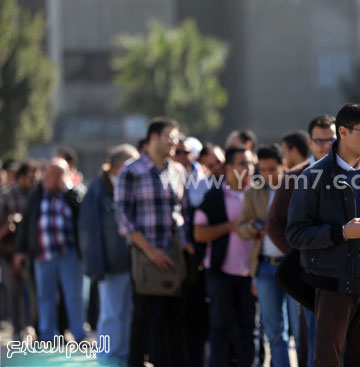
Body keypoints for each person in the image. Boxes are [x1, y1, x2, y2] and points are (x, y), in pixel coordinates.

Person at [286, 103, 360, 367]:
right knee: (328, 361)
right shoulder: (312, 177)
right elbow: (296, 234)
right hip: (334, 285)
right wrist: (341, 233)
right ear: (343, 132)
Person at [114, 117, 187, 367]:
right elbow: (123, 218)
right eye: (170, 136)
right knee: (142, 320)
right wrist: (151, 251)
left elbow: (181, 212)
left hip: (173, 257)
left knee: (174, 323)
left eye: (176, 137)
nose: (174, 142)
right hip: (145, 258)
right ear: (153, 138)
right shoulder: (131, 171)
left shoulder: (177, 171)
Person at [266, 115, 336, 367]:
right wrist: (299, 254)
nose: (326, 145)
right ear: (310, 142)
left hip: (344, 273)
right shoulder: (297, 175)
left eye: (332, 139)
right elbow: (274, 223)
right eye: (320, 140)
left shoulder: (352, 172)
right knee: (311, 337)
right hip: (309, 272)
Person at [194, 145, 256, 367]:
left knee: (248, 330)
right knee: (221, 328)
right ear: (228, 167)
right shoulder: (213, 197)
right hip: (221, 273)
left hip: (252, 275)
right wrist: (231, 226)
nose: (248, 168)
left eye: (250, 163)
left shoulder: (260, 194)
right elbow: (199, 233)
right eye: (242, 163)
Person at [237, 144, 299, 367]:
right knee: (274, 332)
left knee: (300, 331)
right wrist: (256, 227)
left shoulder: (295, 187)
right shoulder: (254, 192)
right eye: (262, 170)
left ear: (283, 165)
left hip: (293, 267)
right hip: (265, 268)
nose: (266, 174)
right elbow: (241, 228)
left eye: (271, 169)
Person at [13, 157, 87, 342]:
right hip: (43, 254)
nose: (54, 178)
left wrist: (68, 190)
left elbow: (83, 212)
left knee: (73, 296)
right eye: (51, 173)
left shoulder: (73, 194)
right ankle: (47, 335)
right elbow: (26, 224)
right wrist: (20, 250)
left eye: (59, 174)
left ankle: (78, 334)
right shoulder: (36, 195)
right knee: (45, 297)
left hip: (69, 253)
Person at [79, 144, 139, 365]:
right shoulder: (97, 189)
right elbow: (89, 231)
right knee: (111, 314)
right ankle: (106, 358)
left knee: (128, 313)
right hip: (111, 266)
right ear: (116, 166)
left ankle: (123, 356)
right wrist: (95, 266)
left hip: (132, 263)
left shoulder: (132, 187)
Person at [0, 161, 40, 338]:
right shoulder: (5, 196)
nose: (33, 182)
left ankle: (33, 327)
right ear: (21, 178)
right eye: (30, 178)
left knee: (33, 293)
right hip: (8, 253)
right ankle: (17, 331)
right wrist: (9, 226)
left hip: (31, 251)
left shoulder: (37, 196)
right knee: (13, 292)